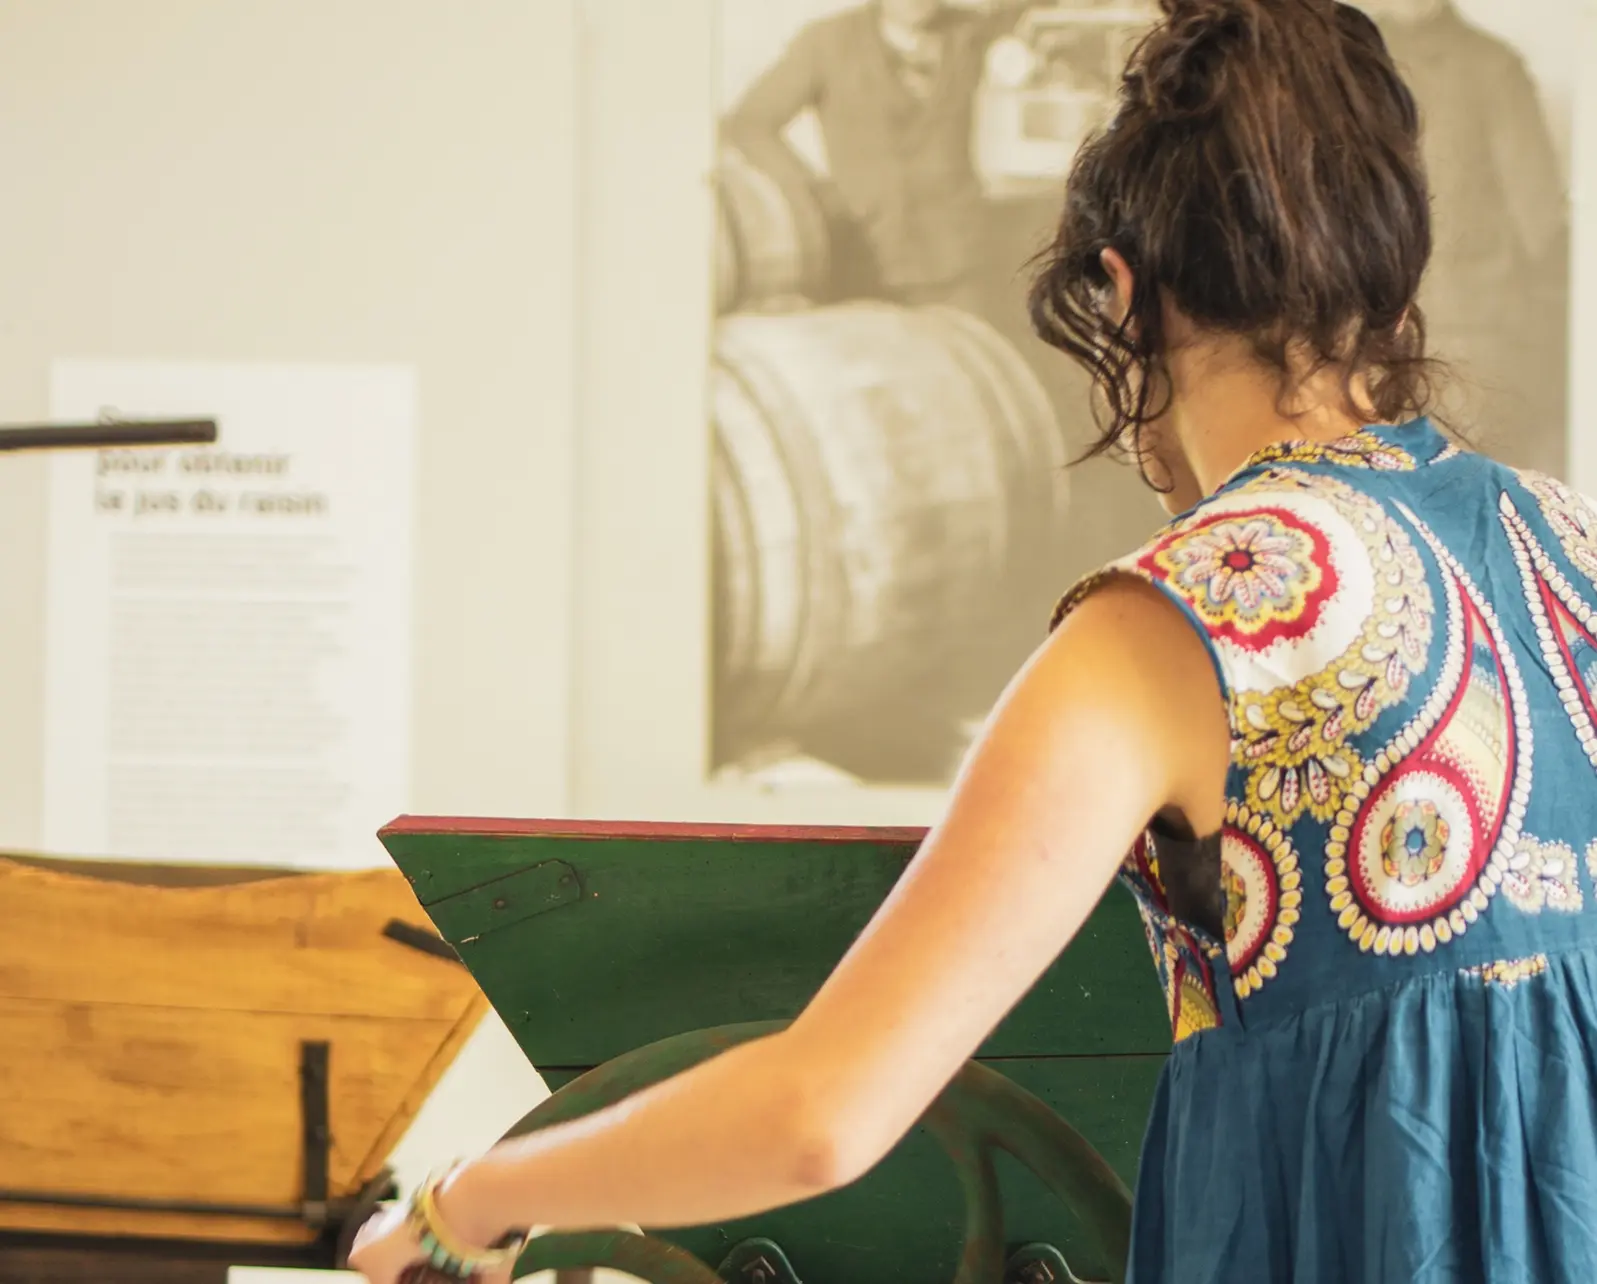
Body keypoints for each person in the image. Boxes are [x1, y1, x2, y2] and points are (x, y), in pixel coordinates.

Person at [351, 1, 1597, 1280]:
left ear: (1125, 290)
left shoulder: (1180, 619)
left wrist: (464, 1203)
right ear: (1387, 278)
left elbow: (821, 1115)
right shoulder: (1567, 546)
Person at [1360, 0, 1570, 479]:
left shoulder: (1490, 69)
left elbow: (1538, 219)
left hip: (1451, 349)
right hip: (1405, 350)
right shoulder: (1354, 61)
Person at [720, 0, 1025, 310]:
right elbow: (749, 123)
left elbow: (1031, 18)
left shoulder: (971, 33)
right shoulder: (829, 42)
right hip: (861, 257)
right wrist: (810, 191)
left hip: (958, 260)